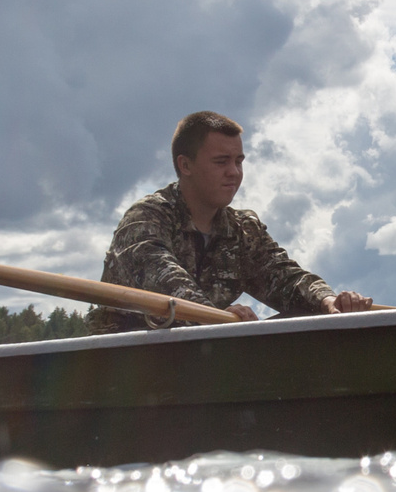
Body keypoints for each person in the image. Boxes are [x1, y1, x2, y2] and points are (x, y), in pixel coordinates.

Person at [91, 111, 375, 332]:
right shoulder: (147, 218)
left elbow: (285, 277)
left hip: (196, 362)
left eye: (238, 161)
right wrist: (219, 319)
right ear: (185, 165)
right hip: (121, 365)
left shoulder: (242, 231)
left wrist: (328, 301)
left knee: (311, 315)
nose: (234, 172)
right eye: (221, 162)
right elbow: (164, 282)